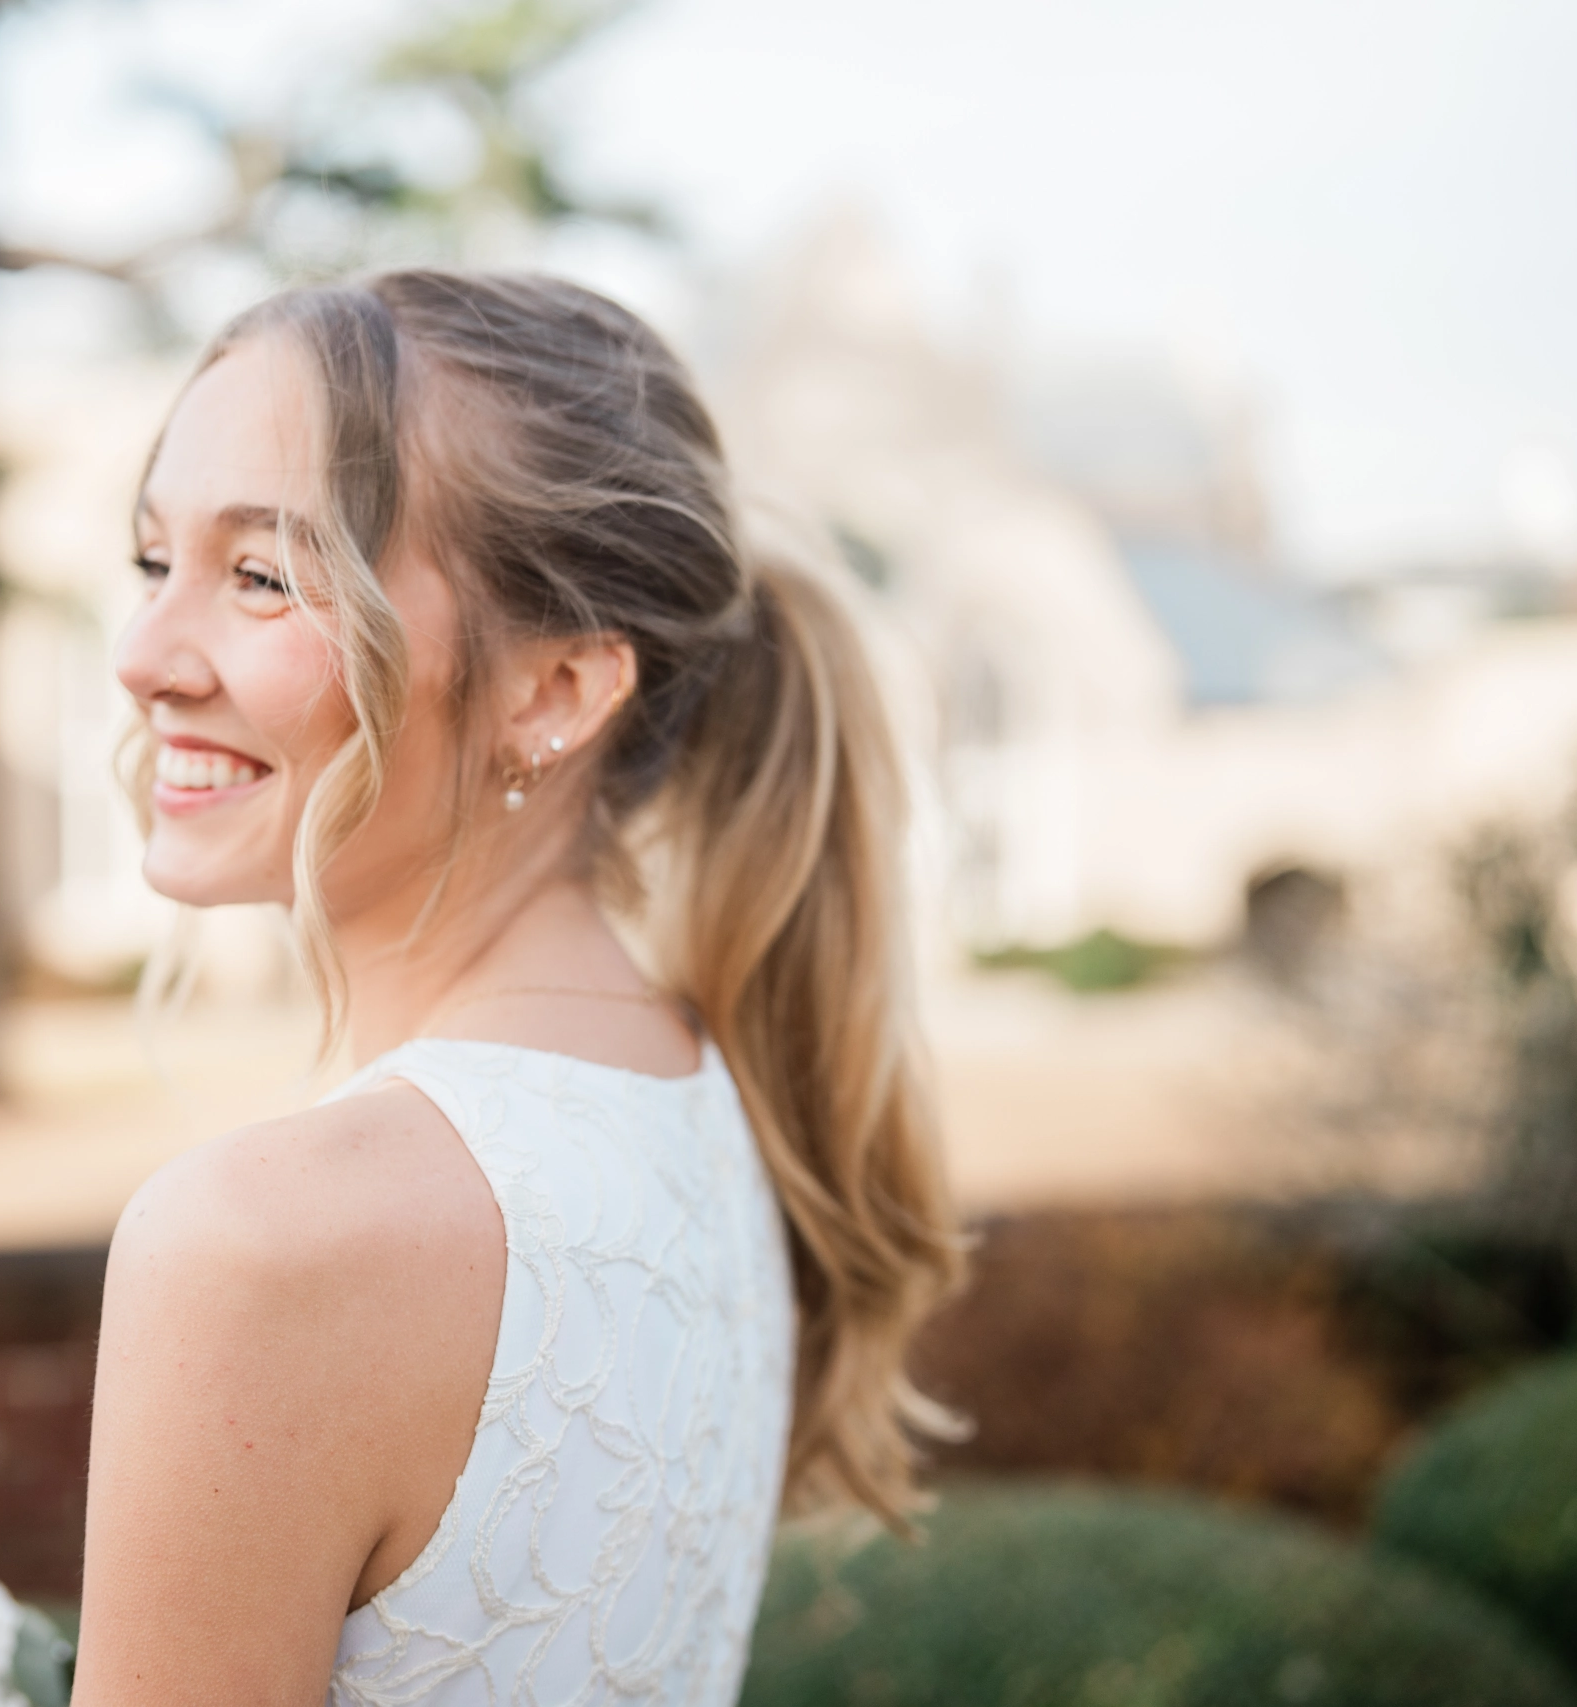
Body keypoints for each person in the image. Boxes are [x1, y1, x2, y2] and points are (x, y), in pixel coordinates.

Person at [75, 270, 961, 1706]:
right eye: (154, 560)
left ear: (552, 692)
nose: (143, 658)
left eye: (263, 575)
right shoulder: (710, 1110)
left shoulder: (260, 1244)